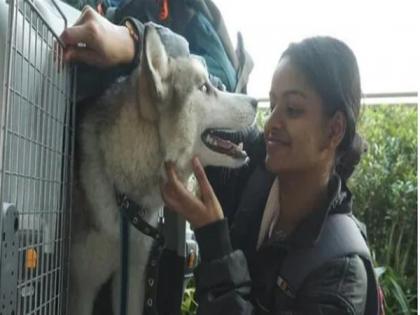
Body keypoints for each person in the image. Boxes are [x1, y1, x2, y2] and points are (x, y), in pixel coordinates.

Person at [61, 9, 378, 314]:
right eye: (274, 104)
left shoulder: (341, 275)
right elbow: (187, 89)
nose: (271, 124)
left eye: (293, 110)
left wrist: (214, 238)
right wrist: (133, 42)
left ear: (334, 129)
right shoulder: (252, 164)